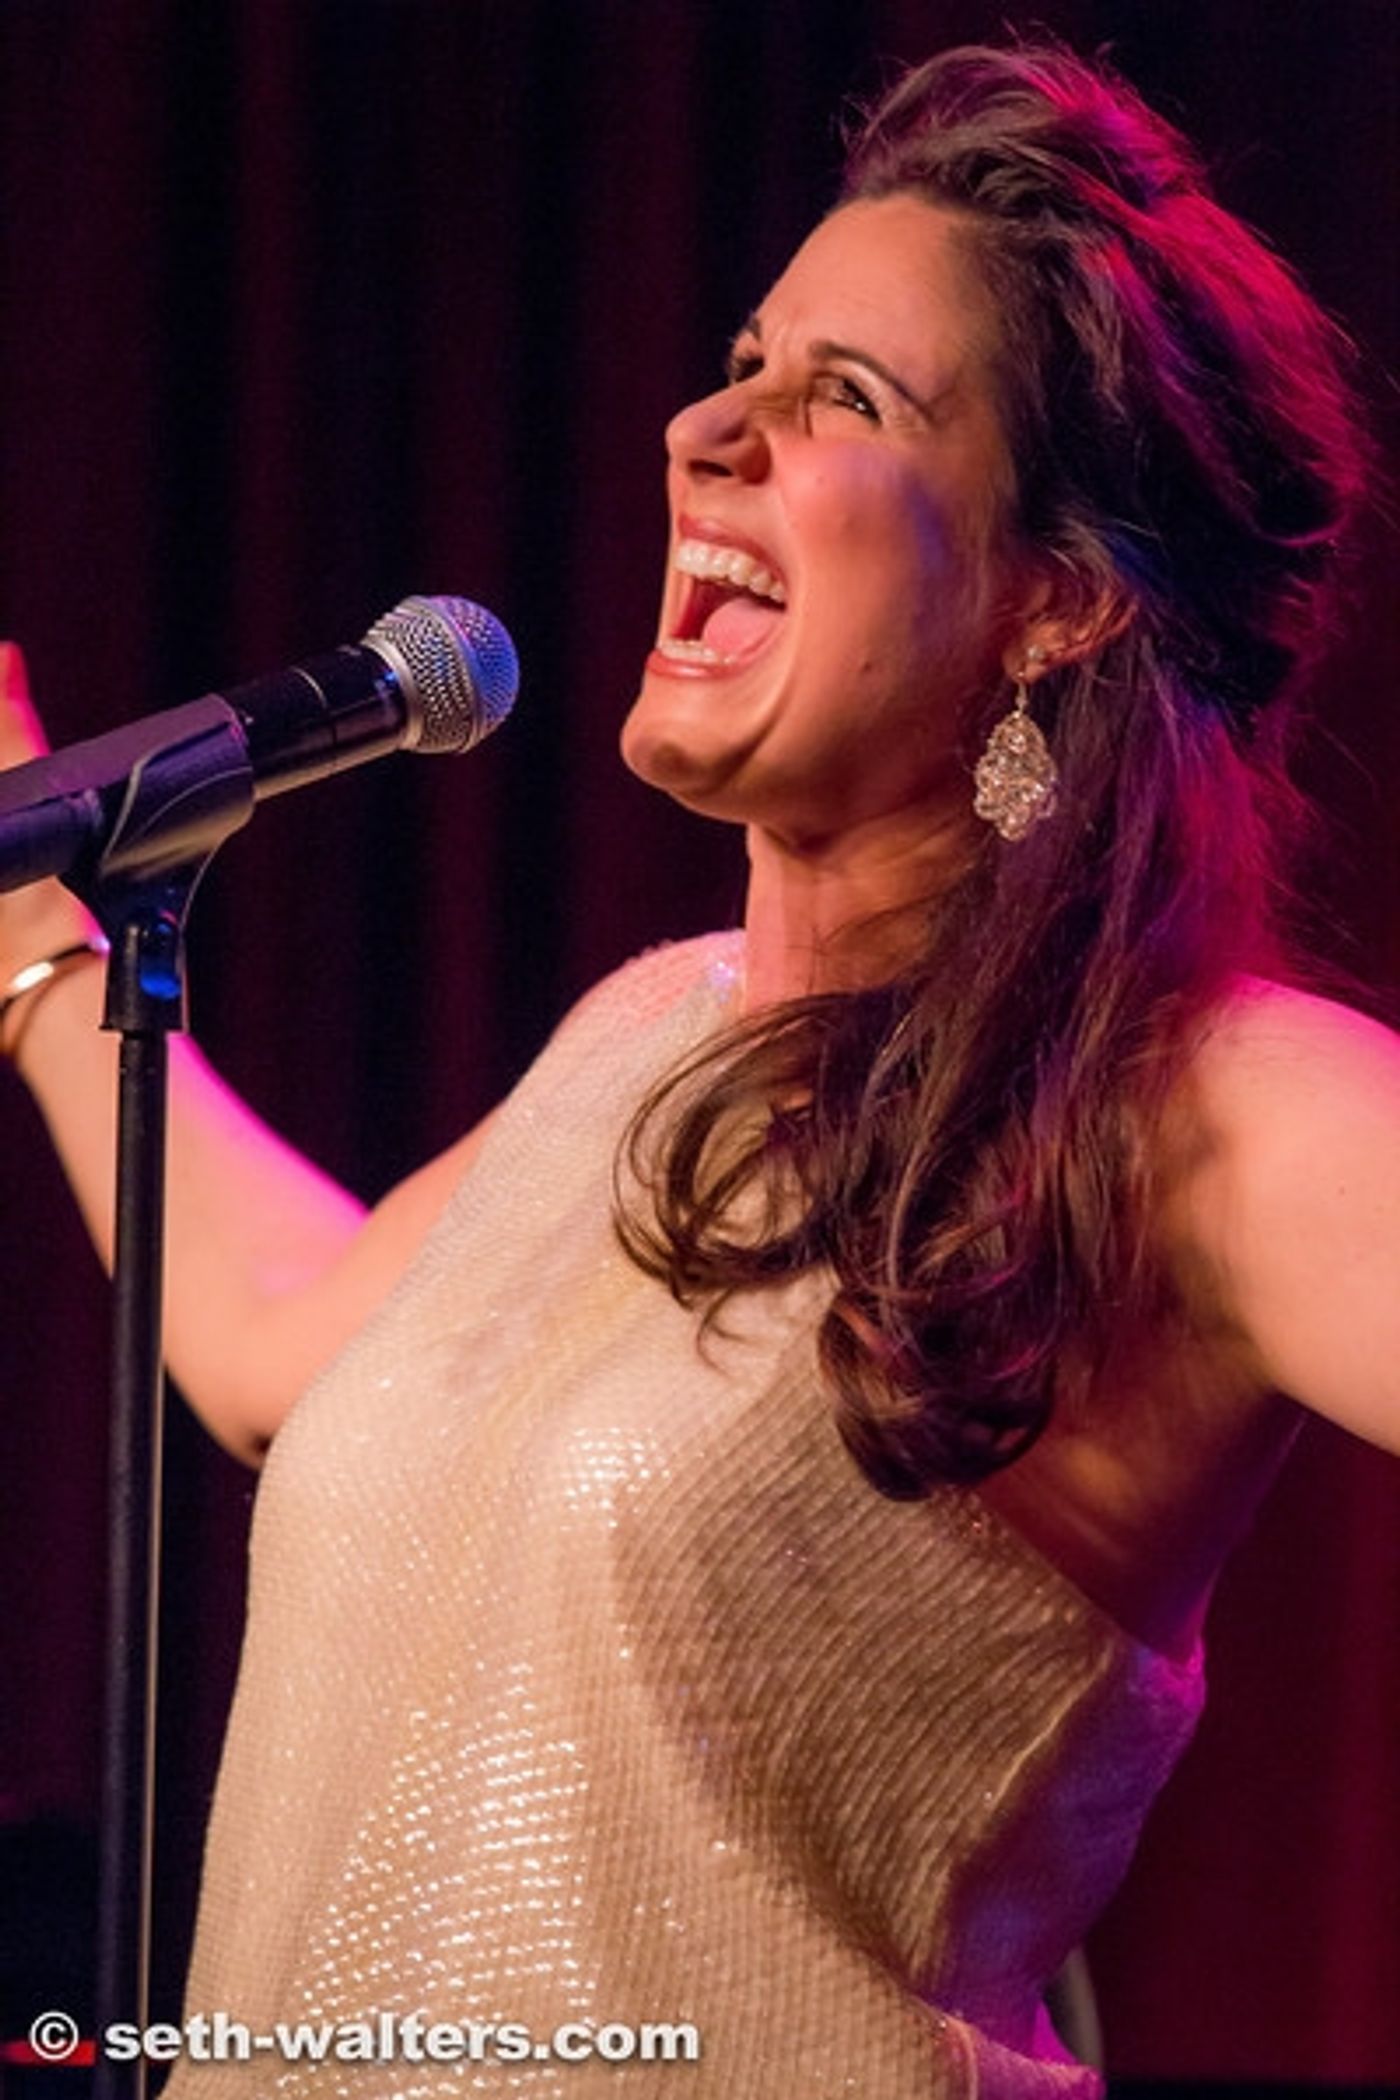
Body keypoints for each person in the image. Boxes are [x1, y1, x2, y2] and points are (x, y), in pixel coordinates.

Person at [1, 38, 1396, 2098]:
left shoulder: (1190, 1103)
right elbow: (272, 1338)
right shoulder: (648, 1030)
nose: (701, 427)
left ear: (1058, 604)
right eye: (746, 356)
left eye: (844, 398)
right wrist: (32, 914)